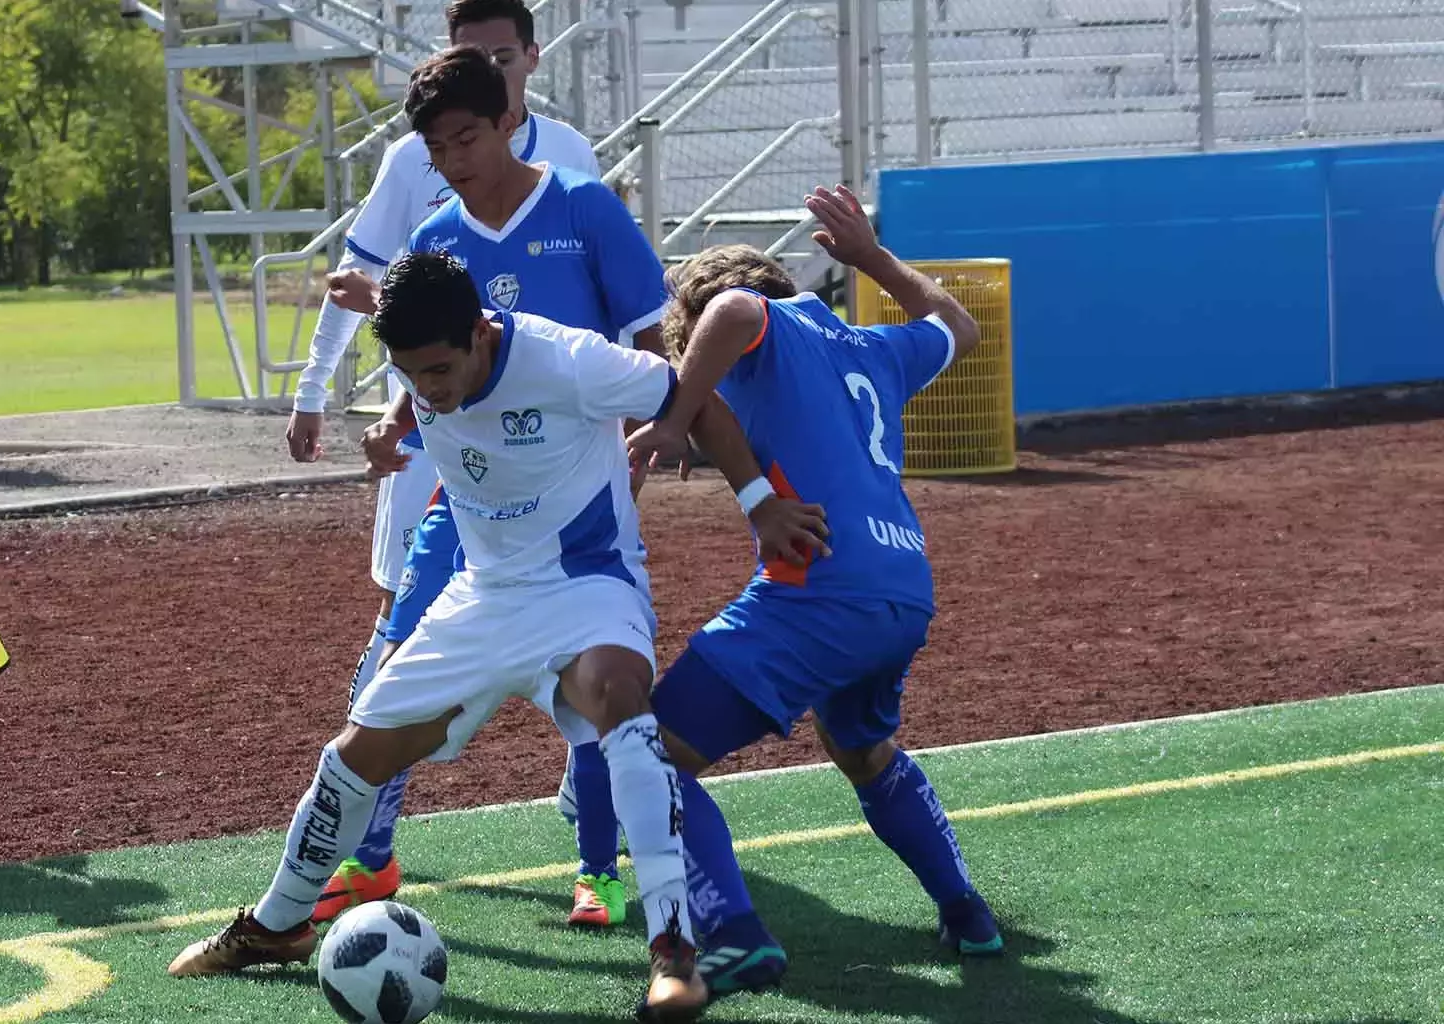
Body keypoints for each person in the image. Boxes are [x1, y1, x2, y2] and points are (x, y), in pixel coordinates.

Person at [169, 251, 829, 1023]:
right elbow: (423, 384)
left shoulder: (569, 360)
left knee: (624, 704)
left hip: (586, 587)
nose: (428, 388)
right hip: (480, 597)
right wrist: (393, 423)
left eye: (440, 369)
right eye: (409, 375)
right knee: (354, 757)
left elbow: (693, 396)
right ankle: (276, 927)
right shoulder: (428, 356)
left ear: (483, 332)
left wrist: (758, 502)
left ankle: (674, 952)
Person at [624, 186, 1004, 999]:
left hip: (821, 590)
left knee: (649, 755)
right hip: (903, 586)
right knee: (863, 751)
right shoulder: (869, 346)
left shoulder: (757, 327)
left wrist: (675, 412)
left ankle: (733, 934)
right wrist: (870, 257)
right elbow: (961, 327)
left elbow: (729, 311)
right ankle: (967, 912)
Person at [280, 0, 610, 926]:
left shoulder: (573, 169)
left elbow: (607, 332)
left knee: (580, 655)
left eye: (499, 59)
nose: (486, 75)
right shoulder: (414, 168)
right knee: (397, 649)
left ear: (528, 63)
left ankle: (600, 840)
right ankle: (372, 857)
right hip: (437, 449)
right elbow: (377, 277)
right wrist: (320, 392)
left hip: (551, 461)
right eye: (467, 59)